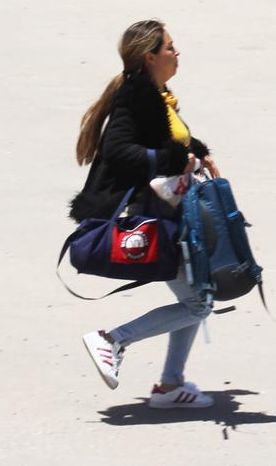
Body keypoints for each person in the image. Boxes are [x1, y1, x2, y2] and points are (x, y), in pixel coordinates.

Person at [72, 20, 220, 408]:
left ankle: (171, 386)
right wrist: (174, 158)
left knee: (199, 295)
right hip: (143, 215)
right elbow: (120, 150)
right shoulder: (135, 96)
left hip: (166, 213)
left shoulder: (157, 95)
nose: (177, 53)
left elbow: (169, 138)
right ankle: (113, 340)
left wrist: (198, 151)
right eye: (170, 47)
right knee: (198, 302)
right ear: (150, 57)